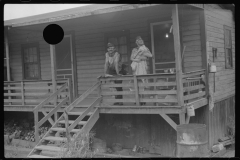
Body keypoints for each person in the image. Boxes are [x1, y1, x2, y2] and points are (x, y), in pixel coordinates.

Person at [130, 36, 152, 105]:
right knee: (136, 82)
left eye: (141, 39)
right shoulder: (134, 49)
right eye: (139, 40)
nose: (141, 41)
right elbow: (131, 58)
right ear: (136, 42)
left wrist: (142, 57)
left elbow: (150, 56)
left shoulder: (145, 48)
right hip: (136, 66)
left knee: (142, 82)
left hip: (142, 66)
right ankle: (137, 99)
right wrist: (136, 59)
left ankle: (142, 99)